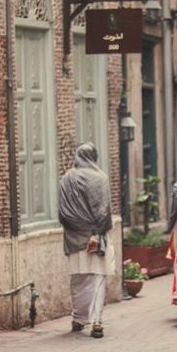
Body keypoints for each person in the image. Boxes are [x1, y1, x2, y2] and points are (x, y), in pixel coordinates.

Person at [58, 142, 115, 338]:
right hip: (96, 239)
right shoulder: (100, 179)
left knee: (78, 279)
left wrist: (81, 230)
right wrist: (95, 233)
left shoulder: (66, 179)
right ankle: (96, 321)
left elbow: (64, 213)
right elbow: (103, 211)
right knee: (97, 278)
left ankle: (78, 319)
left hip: (74, 239)